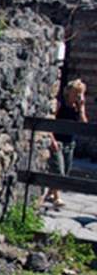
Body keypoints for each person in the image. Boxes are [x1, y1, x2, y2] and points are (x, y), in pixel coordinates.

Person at [45, 79, 88, 208]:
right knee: (59, 172)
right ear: (69, 92)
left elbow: (84, 125)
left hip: (70, 143)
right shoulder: (60, 104)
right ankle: (56, 198)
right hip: (58, 141)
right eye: (76, 93)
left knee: (66, 172)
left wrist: (81, 109)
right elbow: (50, 122)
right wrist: (52, 140)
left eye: (81, 93)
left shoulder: (77, 108)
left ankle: (49, 193)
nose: (78, 96)